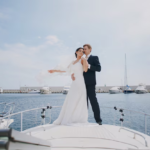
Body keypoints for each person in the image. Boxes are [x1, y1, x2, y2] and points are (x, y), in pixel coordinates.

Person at [48, 48, 89, 125]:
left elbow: (85, 70)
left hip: (80, 81)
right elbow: (65, 70)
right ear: (76, 52)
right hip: (74, 82)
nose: (81, 52)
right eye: (79, 51)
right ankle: (70, 117)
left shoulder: (83, 60)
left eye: (82, 52)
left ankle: (77, 118)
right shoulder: (72, 62)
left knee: (79, 99)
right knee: (71, 99)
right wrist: (54, 70)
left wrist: (85, 61)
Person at [72, 44, 102, 125]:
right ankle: (82, 120)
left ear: (90, 49)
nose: (84, 50)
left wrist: (88, 65)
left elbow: (99, 68)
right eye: (83, 49)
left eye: (85, 49)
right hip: (81, 84)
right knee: (83, 103)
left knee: (93, 102)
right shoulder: (81, 59)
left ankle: (98, 120)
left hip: (90, 83)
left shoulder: (94, 57)